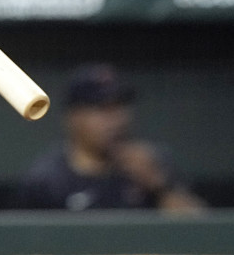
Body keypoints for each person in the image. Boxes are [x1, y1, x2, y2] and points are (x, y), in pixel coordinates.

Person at [17, 64, 207, 213]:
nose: (115, 120)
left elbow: (202, 231)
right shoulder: (47, 181)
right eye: (102, 109)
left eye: (120, 106)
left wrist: (160, 186)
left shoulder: (154, 163)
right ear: (73, 117)